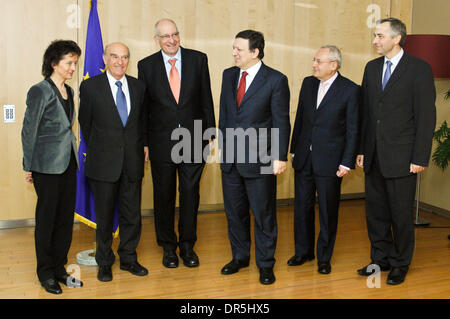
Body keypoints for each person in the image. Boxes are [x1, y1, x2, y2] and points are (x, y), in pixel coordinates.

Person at [357, 18, 436, 285]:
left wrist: (420, 157)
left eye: (380, 36)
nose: (375, 40)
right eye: (375, 35)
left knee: (400, 215)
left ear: (396, 38)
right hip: (374, 156)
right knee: (376, 213)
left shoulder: (419, 69)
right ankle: (381, 259)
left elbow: (426, 117)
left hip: (403, 158)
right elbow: (366, 114)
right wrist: (361, 149)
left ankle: (401, 263)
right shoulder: (371, 68)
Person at [137, 19, 215, 268]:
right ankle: (168, 248)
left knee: (191, 194)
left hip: (194, 139)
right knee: (164, 196)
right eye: (165, 36)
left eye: (175, 34)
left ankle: (188, 246)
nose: (171, 40)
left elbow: (206, 98)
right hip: (161, 143)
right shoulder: (146, 66)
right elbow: (144, 109)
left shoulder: (198, 59)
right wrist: (145, 142)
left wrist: (210, 134)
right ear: (156, 40)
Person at [218, 30, 290, 285]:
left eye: (239, 49)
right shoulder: (228, 75)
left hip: (261, 160)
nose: (234, 53)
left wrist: (280, 156)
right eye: (233, 48)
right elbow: (225, 115)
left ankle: (265, 264)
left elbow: (281, 121)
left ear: (255, 52)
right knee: (234, 213)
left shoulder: (276, 80)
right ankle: (240, 257)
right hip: (230, 160)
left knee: (263, 215)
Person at [78, 42, 148, 282]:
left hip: (132, 162)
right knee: (105, 216)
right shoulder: (90, 87)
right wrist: (104, 147)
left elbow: (142, 123)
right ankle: (104, 261)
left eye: (125, 57)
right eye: (115, 57)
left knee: (132, 215)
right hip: (103, 163)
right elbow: (85, 125)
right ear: (106, 58)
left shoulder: (139, 87)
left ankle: (128, 258)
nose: (120, 61)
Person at [288, 45, 359, 274]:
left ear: (333, 65)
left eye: (318, 61)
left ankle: (324, 257)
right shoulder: (309, 84)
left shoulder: (350, 90)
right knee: (302, 208)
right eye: (314, 60)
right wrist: (293, 149)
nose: (314, 65)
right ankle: (303, 252)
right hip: (304, 158)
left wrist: (347, 161)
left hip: (330, 161)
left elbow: (352, 129)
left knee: (328, 211)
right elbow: (300, 118)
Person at [21, 40, 83, 294]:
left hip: (68, 164)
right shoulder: (39, 91)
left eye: (75, 63)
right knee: (47, 220)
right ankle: (45, 272)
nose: (73, 68)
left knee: (64, 220)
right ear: (53, 63)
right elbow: (29, 131)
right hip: (45, 167)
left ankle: (59, 268)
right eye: (69, 63)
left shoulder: (70, 91)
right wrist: (29, 165)